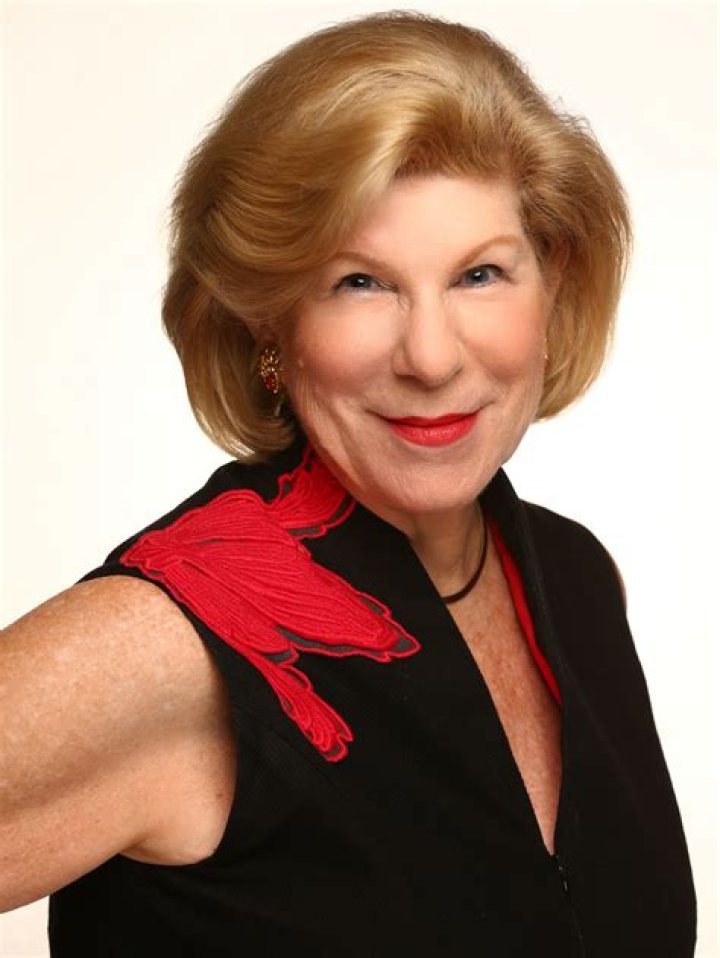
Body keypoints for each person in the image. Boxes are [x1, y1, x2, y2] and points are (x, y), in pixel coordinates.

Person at [1, 11, 696, 956]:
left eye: (480, 274)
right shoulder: (171, 645)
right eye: (358, 283)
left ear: (555, 281)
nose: (431, 356)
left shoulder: (578, 580)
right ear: (268, 320)